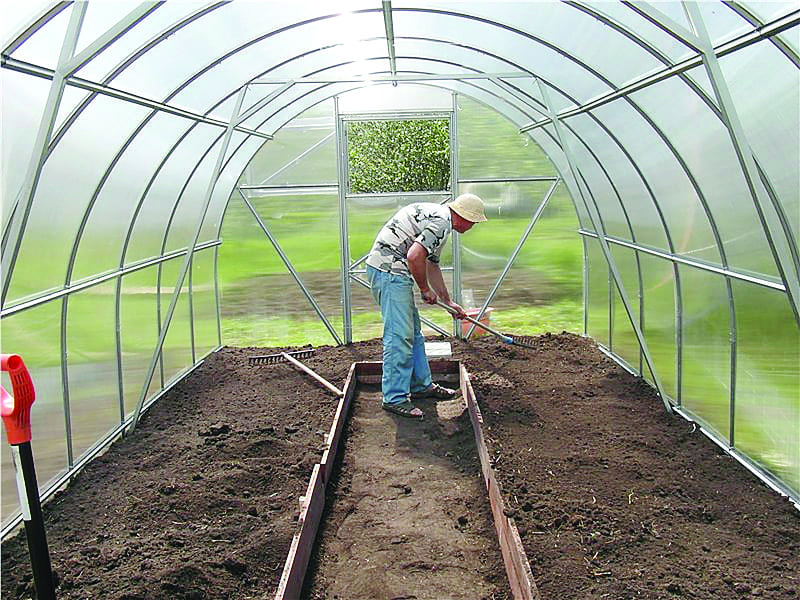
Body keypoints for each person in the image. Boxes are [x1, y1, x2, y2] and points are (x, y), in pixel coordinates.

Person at [365, 193, 488, 419]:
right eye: (474, 222)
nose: (473, 226)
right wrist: (423, 290)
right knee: (400, 335)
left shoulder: (441, 222)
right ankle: (394, 398)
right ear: (464, 217)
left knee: (413, 333)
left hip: (394, 272)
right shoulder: (441, 222)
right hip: (388, 271)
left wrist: (448, 301)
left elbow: (431, 265)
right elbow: (414, 257)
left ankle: (420, 385)